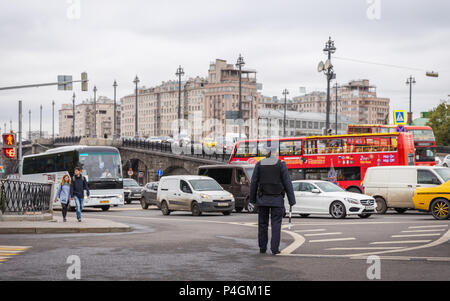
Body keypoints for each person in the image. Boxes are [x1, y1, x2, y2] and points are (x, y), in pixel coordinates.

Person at [249, 141, 296, 255]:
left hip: (263, 199)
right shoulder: (281, 164)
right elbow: (287, 183)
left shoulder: (259, 164)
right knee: (276, 224)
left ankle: (262, 248)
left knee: (262, 224)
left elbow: (254, 182)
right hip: (277, 200)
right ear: (275, 151)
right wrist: (291, 200)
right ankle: (274, 249)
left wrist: (252, 200)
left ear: (266, 151)